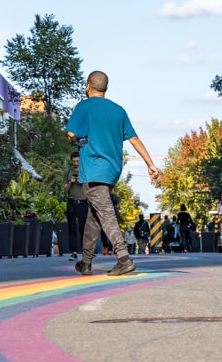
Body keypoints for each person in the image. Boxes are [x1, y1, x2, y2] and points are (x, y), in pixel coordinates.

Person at [65, 70, 160, 277]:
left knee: (105, 213)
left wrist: (80, 140)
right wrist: (150, 164)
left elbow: (72, 133)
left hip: (93, 169)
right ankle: (86, 262)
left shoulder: (84, 106)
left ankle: (124, 258)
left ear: (87, 86)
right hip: (112, 171)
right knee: (94, 217)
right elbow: (134, 139)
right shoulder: (118, 110)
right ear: (105, 88)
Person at [63, 151, 88, 260]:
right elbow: (65, 190)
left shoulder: (85, 171)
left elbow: (90, 188)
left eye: (78, 161)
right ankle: (73, 252)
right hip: (71, 202)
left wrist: (82, 182)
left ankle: (85, 252)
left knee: (83, 228)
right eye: (74, 161)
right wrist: (71, 182)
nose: (76, 163)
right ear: (71, 161)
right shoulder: (68, 172)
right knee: (72, 228)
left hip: (82, 202)